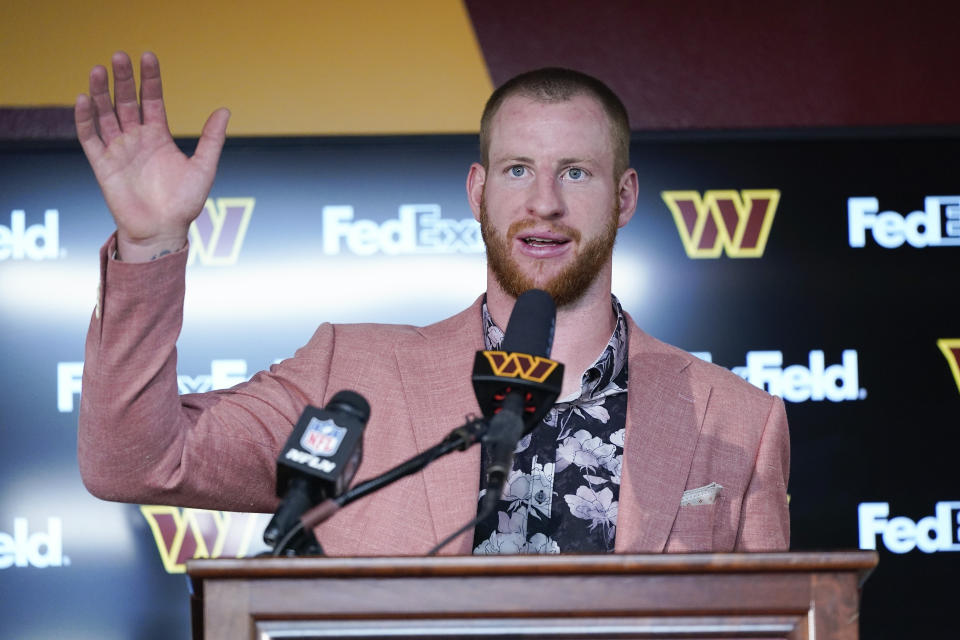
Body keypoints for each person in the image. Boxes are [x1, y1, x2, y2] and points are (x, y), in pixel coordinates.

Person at [75, 51, 790, 556]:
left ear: (625, 196)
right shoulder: (352, 374)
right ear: (478, 191)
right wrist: (151, 244)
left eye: (575, 171)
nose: (544, 202)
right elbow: (136, 462)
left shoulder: (738, 422)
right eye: (518, 170)